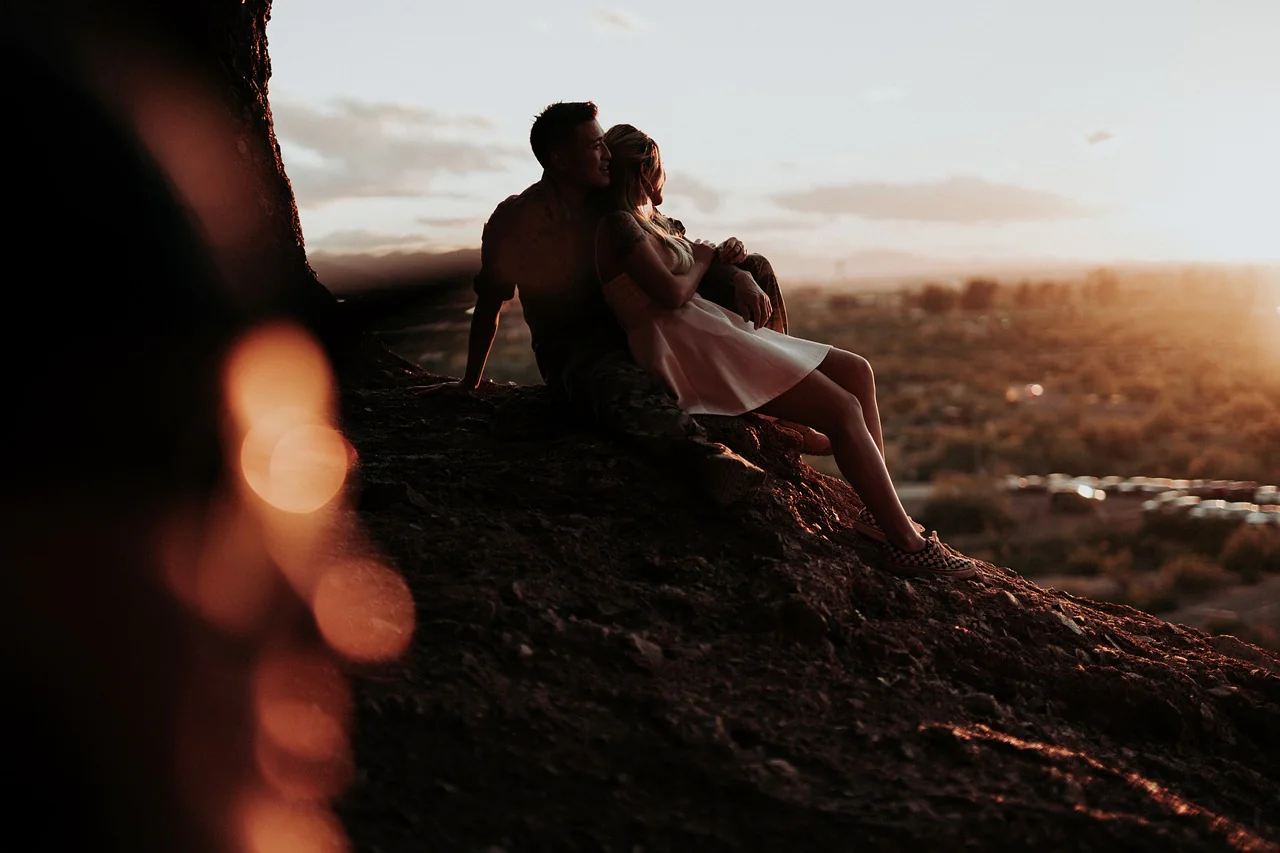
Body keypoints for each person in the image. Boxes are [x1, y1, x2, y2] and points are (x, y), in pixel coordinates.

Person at [593, 124, 978, 579]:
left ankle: (877, 516)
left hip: (709, 331)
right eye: (658, 168)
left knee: (857, 371)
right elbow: (672, 293)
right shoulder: (617, 224)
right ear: (643, 168)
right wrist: (701, 259)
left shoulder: (651, 218)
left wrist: (731, 267)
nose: (663, 180)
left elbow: (698, 262)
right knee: (843, 408)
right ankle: (907, 544)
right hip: (684, 346)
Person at [420, 102, 770, 504]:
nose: (607, 155)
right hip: (579, 353)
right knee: (616, 385)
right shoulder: (515, 220)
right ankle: (709, 458)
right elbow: (490, 304)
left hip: (641, 328)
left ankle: (776, 398)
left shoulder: (609, 205)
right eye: (595, 147)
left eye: (605, 145)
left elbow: (678, 247)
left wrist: (739, 275)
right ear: (559, 159)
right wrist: (470, 382)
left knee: (755, 269)